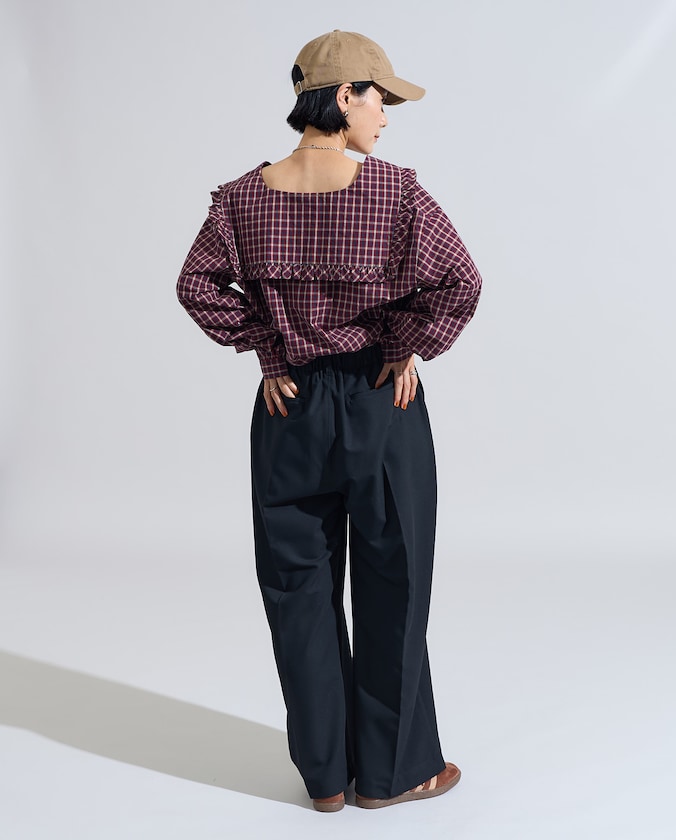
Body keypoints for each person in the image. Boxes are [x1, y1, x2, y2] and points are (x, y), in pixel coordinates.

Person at [176, 30, 482, 812]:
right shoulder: (395, 194)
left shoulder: (240, 199)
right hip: (382, 403)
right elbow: (461, 281)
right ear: (344, 95)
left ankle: (324, 778)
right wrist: (403, 345)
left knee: (297, 588)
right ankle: (392, 774)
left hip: (289, 409)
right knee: (394, 582)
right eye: (380, 98)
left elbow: (197, 285)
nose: (386, 115)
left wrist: (269, 347)